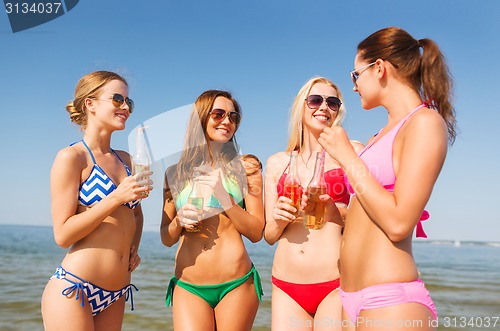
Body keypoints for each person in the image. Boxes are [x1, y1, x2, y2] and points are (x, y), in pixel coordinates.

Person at [317, 27, 457, 330]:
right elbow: (370, 211)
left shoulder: (424, 123)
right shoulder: (378, 136)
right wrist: (336, 211)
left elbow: (398, 223)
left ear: (379, 68)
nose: (353, 87)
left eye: (356, 75)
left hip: (389, 302)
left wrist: (347, 157)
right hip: (349, 300)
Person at [41, 71, 152, 331]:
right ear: (90, 103)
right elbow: (63, 234)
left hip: (116, 294)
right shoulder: (72, 157)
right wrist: (116, 197)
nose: (125, 107)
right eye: (117, 99)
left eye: (128, 102)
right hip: (75, 289)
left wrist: (133, 247)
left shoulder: (127, 160)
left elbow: (136, 213)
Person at [264, 77, 363, 330]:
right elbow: (270, 235)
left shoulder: (351, 151)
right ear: (301, 106)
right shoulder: (277, 162)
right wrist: (278, 219)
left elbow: (367, 220)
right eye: (315, 100)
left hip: (334, 280)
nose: (324, 107)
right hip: (286, 284)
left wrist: (335, 209)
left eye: (332, 102)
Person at [161, 90, 265, 331]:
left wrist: (225, 197)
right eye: (218, 114)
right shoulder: (174, 173)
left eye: (233, 116)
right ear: (201, 118)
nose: (227, 121)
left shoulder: (247, 167)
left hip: (235, 284)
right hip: (188, 285)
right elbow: (166, 237)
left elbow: (256, 231)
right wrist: (178, 222)